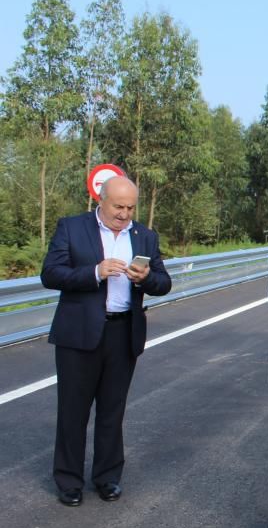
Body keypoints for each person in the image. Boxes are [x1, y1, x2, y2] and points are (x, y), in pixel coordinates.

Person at [41, 175, 172, 507]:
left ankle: (108, 477)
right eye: (118, 206)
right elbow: (50, 273)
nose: (125, 214)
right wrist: (94, 273)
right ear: (101, 199)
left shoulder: (145, 236)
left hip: (122, 331)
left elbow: (164, 282)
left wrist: (146, 279)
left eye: (130, 207)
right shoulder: (72, 228)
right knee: (73, 410)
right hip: (79, 334)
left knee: (113, 410)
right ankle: (69, 480)